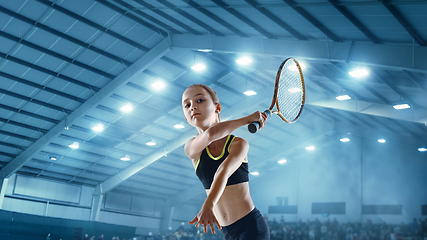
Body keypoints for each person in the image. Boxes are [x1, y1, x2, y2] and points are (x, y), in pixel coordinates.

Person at [182, 84, 269, 240]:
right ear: (186, 118)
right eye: (187, 105)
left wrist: (209, 204)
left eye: (200, 100)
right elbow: (210, 135)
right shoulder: (191, 148)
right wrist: (247, 119)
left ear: (218, 107)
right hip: (227, 233)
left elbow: (223, 172)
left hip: (251, 227)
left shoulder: (239, 144)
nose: (193, 107)